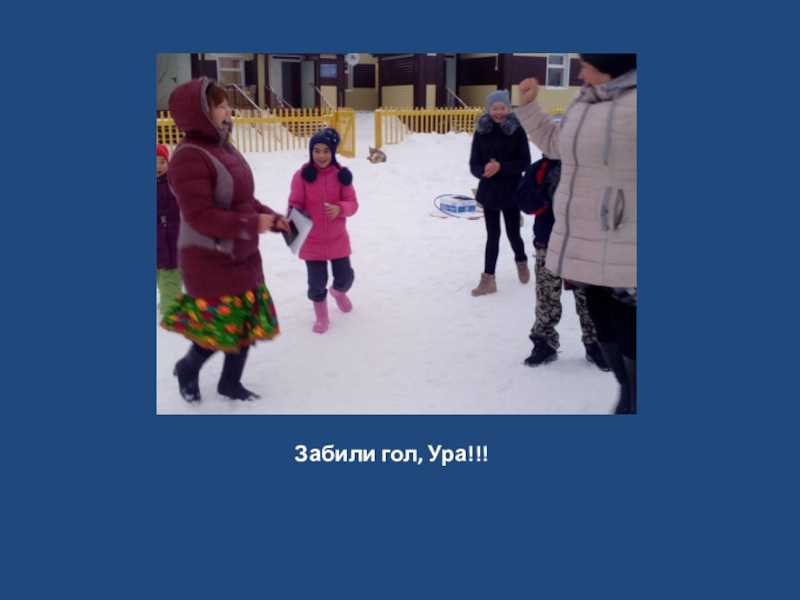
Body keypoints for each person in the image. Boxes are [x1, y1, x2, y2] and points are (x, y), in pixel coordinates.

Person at [516, 54, 637, 413]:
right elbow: (558, 146)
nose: (580, 72)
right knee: (607, 331)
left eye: (586, 64)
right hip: (585, 242)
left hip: (627, 246)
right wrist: (529, 107)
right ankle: (628, 397)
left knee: (631, 335)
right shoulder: (585, 101)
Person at [160, 77, 290, 402]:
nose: (227, 110)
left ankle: (230, 383)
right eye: (219, 105)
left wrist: (272, 218)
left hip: (239, 253)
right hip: (210, 259)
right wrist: (252, 224)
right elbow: (200, 216)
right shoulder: (188, 157)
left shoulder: (222, 147)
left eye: (226, 104)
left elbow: (243, 200)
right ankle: (187, 368)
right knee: (220, 328)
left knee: (244, 323)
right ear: (200, 113)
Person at [520, 154, 610, 372]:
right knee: (546, 298)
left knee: (589, 297)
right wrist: (547, 192)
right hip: (548, 244)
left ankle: (596, 344)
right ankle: (544, 342)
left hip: (583, 245)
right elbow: (524, 201)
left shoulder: (589, 165)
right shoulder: (540, 168)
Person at [287, 128, 358, 334]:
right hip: (312, 241)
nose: (321, 155)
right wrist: (296, 218)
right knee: (317, 284)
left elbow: (353, 203)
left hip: (337, 240)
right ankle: (322, 317)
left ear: (333, 152)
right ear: (311, 152)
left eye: (326, 151)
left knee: (345, 277)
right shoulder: (302, 176)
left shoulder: (342, 176)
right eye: (316, 150)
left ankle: (338, 293)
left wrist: (341, 208)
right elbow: (293, 204)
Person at [469, 89, 532, 296]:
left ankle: (521, 260)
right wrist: (484, 170)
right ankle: (488, 279)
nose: (499, 112)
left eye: (503, 108)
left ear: (509, 108)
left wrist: (501, 167)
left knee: (513, 233)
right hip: (490, 192)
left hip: (511, 191)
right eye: (495, 108)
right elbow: (474, 164)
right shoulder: (481, 131)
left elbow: (525, 162)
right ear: (489, 109)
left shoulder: (516, 130)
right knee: (493, 235)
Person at [156, 144, 183, 316]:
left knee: (170, 278)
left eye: (162, 161)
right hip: (157, 241)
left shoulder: (175, 184)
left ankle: (172, 312)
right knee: (160, 276)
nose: (158, 166)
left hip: (171, 241)